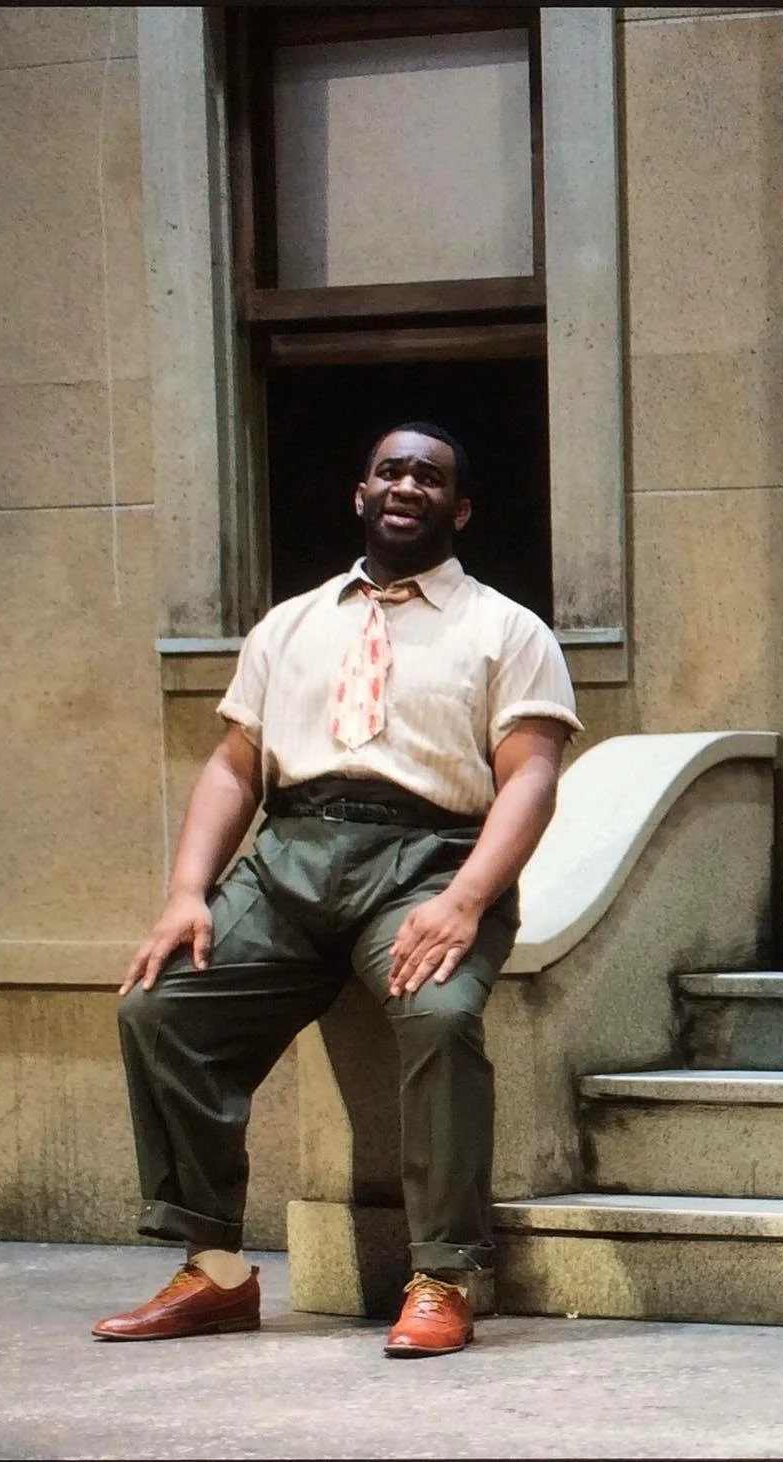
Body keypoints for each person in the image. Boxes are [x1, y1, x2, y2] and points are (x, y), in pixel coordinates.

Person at [93, 422, 580, 1358]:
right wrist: (187, 891)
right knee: (162, 1006)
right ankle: (217, 1273)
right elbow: (235, 768)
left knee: (439, 1017)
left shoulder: (504, 629)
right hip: (288, 859)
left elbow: (529, 776)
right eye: (390, 470)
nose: (407, 485)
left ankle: (444, 1273)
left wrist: (467, 898)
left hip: (429, 859)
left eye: (429, 476)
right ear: (360, 493)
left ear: (460, 508)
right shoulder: (292, 624)